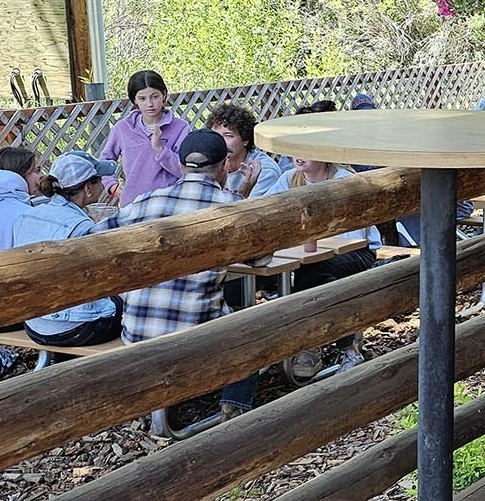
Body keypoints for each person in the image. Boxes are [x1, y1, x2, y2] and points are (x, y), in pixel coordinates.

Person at [93, 130, 256, 420]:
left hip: (136, 335)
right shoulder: (231, 207)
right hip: (194, 342)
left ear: (180, 166)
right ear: (224, 167)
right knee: (256, 326)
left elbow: (98, 236)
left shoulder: (147, 202)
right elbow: (261, 256)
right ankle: (235, 408)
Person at [258, 154, 375, 373]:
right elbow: (260, 212)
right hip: (305, 256)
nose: (297, 157)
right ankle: (343, 346)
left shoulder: (345, 181)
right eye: (294, 150)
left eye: (305, 151)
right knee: (311, 275)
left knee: (313, 273)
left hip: (358, 250)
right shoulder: (289, 178)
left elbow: (356, 238)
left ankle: (313, 346)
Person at [13, 152, 122, 346]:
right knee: (126, 305)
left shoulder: (27, 215)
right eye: (99, 181)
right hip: (76, 329)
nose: (104, 186)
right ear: (88, 188)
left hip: (32, 321)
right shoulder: (80, 227)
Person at [98, 70, 192, 205]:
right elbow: (104, 161)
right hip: (133, 206)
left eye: (154, 97)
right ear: (134, 100)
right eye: (142, 98)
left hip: (170, 204)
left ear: (164, 95)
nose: (149, 104)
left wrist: (160, 149)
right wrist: (113, 186)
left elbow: (186, 170)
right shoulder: (123, 128)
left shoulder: (181, 128)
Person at [207, 104, 283, 199]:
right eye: (215, 135)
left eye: (229, 136)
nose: (220, 142)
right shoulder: (207, 163)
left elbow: (253, 211)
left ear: (246, 139)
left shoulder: (265, 170)